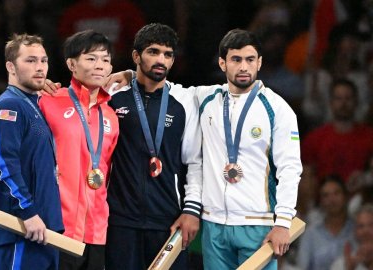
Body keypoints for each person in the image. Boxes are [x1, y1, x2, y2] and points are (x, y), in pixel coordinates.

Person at [107, 28, 302, 269]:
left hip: (258, 222)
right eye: (236, 59)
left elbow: (290, 168)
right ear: (222, 63)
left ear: (259, 62)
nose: (243, 67)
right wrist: (130, 75)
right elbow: (160, 84)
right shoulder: (205, 98)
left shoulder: (278, 109)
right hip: (214, 223)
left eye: (250, 60)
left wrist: (283, 222)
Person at [105, 23, 202, 270]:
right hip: (119, 220)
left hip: (168, 220)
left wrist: (191, 210)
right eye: (153, 52)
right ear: (136, 56)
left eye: (167, 55)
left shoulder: (185, 101)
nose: (161, 60)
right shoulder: (112, 96)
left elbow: (194, 161)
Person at [38, 30, 119, 270]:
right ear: (72, 64)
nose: (100, 66)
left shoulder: (111, 116)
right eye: (91, 58)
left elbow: (109, 169)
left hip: (96, 231)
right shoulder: (48, 100)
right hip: (55, 225)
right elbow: (1, 146)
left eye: (105, 60)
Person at [0, 33, 63, 270]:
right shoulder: (9, 105)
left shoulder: (35, 105)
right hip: (23, 226)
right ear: (11, 66)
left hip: (45, 227)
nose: (40, 67)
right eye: (30, 61)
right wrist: (27, 212)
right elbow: (3, 163)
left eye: (44, 60)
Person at [302, 78, 373, 184]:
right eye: (338, 98)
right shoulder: (314, 139)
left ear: (356, 101)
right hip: (324, 197)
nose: (343, 103)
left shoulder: (370, 136)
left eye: (348, 98)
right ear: (331, 103)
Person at [296, 176, 354, 270]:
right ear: (321, 201)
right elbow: (302, 267)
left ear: (346, 196)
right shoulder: (311, 234)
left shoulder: (358, 230)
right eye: (326, 195)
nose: (332, 199)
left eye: (336, 193)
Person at [330, 203, 373, 270]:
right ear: (355, 232)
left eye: (371, 225)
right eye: (360, 226)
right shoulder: (340, 264)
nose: (366, 231)